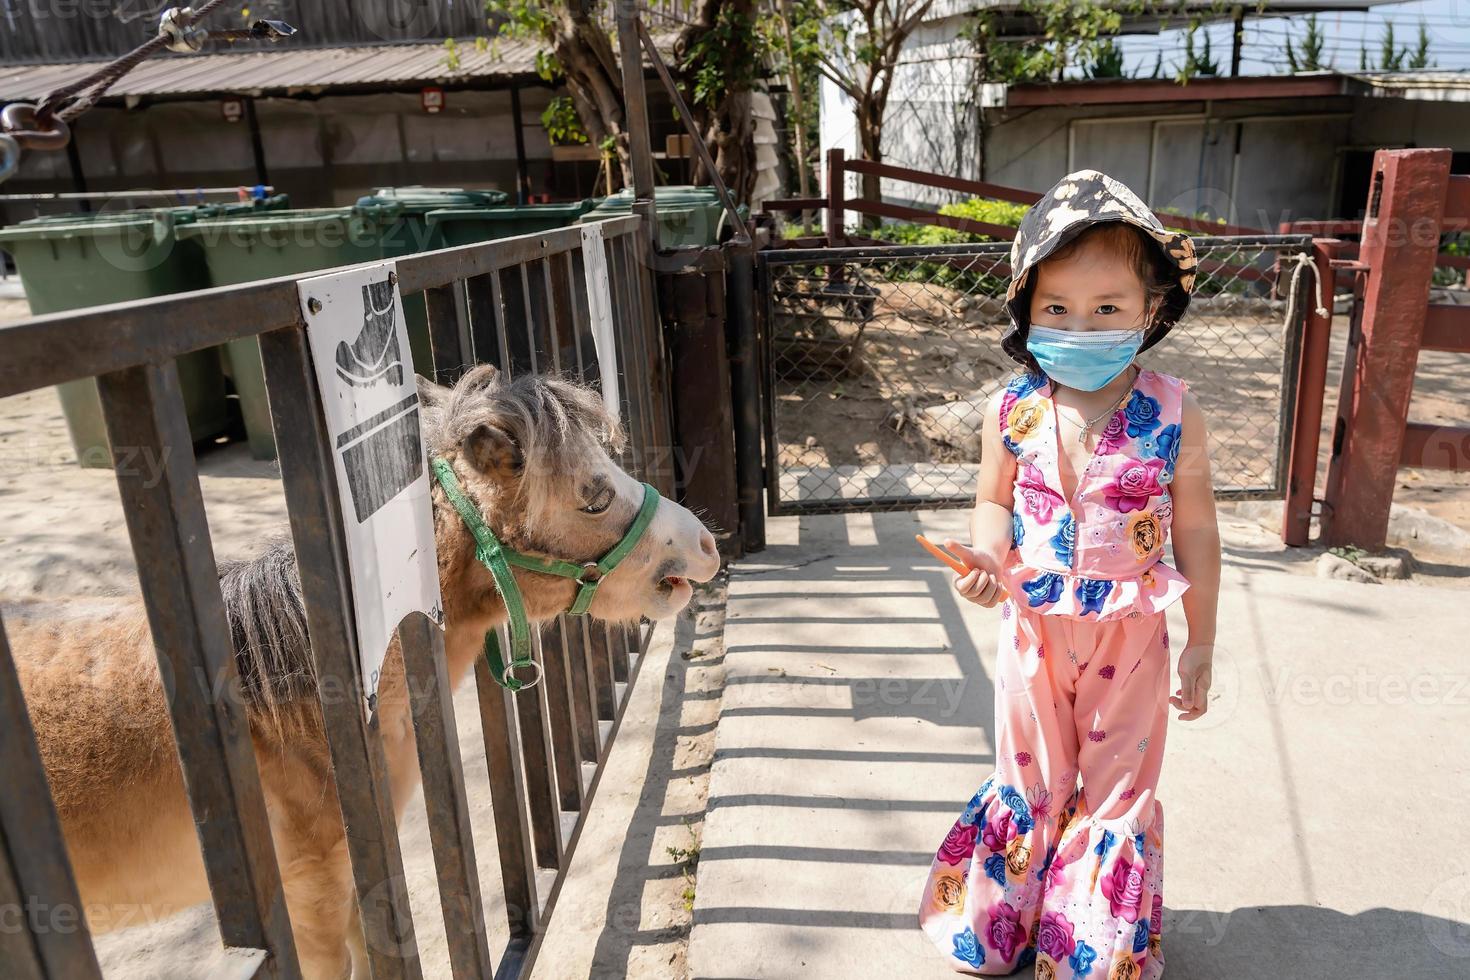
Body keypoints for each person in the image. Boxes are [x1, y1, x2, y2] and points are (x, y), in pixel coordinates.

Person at [917, 170, 1221, 980]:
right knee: (1032, 775)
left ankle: (1090, 944)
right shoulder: (1009, 410)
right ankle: (1000, 923)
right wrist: (984, 559)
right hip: (1032, 633)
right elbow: (993, 499)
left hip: (1135, 638)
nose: (1079, 325)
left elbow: (1195, 528)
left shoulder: (1176, 411)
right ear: (1026, 307)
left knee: (1117, 785)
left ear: (1152, 310)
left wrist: (1202, 644)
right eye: (1057, 308)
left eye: (1107, 308)